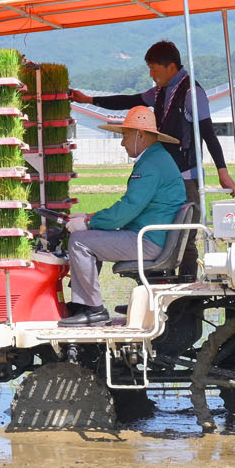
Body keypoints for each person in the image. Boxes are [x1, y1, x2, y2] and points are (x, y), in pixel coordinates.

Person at [70, 40, 234, 278]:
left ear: (170, 67)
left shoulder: (192, 93)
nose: (151, 75)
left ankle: (186, 291)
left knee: (184, 240)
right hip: (164, 177)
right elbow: (129, 101)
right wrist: (89, 100)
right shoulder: (159, 92)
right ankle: (159, 285)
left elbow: (208, 132)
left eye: (154, 69)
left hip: (186, 177)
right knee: (157, 233)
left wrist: (222, 171)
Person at [57, 105, 187, 327]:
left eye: (125, 136)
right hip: (152, 236)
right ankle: (83, 304)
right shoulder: (158, 159)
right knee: (90, 237)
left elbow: (127, 209)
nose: (122, 143)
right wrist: (90, 217)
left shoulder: (150, 164)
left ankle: (93, 309)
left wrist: (88, 222)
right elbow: (132, 207)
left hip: (148, 241)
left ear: (140, 135)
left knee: (79, 242)